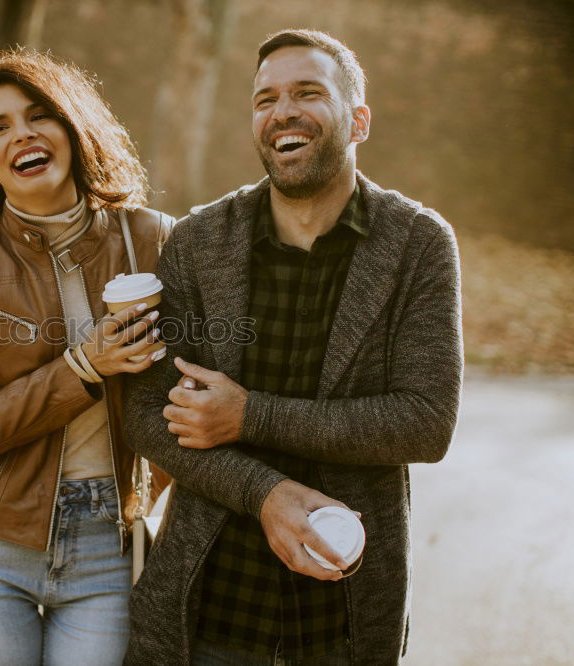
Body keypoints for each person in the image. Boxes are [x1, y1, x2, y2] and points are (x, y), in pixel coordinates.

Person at [123, 30, 463, 665]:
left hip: (344, 614)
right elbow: (149, 412)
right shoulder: (199, 242)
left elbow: (426, 422)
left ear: (358, 120)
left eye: (309, 93)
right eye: (265, 99)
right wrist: (266, 493)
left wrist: (251, 415)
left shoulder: (418, 244)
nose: (283, 111)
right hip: (209, 608)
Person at [0, 50, 173, 666]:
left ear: (72, 129)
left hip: (109, 549)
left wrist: (153, 496)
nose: (21, 133)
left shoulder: (152, 238)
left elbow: (191, 388)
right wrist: (83, 368)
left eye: (39, 115)